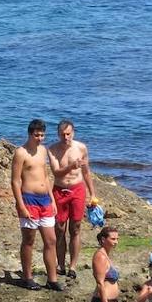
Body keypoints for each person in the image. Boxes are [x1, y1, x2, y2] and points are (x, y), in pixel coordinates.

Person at [10, 119, 61, 291]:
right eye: (36, 135)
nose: (40, 138)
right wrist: (21, 206)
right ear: (30, 134)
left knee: (51, 240)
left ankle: (52, 279)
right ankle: (27, 277)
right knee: (29, 240)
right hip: (28, 200)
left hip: (45, 200)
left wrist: (52, 200)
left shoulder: (43, 150)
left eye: (42, 135)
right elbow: (15, 182)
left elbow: (46, 176)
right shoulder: (20, 153)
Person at [46, 119, 97, 279]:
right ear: (58, 134)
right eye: (62, 134)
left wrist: (93, 194)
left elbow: (87, 172)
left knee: (75, 228)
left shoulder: (81, 147)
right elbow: (56, 173)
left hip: (77, 189)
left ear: (73, 133)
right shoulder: (52, 149)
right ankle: (60, 264)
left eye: (68, 134)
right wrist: (71, 166)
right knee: (59, 229)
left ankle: (73, 266)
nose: (65, 137)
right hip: (60, 190)